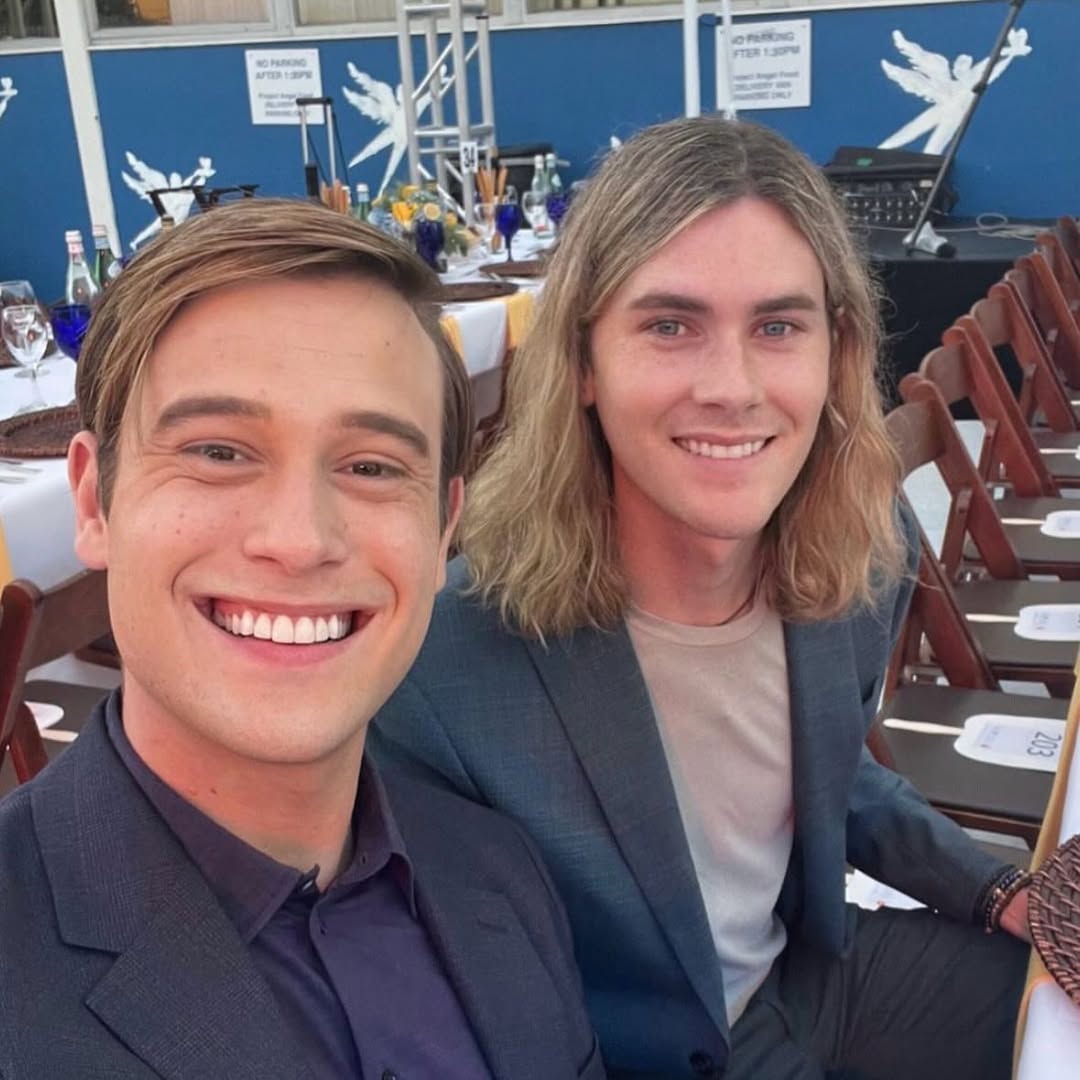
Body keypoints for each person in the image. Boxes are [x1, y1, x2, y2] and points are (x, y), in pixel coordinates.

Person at [371, 117, 1030, 1080]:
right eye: (670, 326)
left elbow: (831, 773)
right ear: (582, 363)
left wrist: (1001, 891)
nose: (732, 387)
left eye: (778, 327)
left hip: (816, 974)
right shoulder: (441, 666)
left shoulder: (867, 551)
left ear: (836, 351)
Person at [0, 199, 603, 1080]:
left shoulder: (505, 870)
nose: (300, 538)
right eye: (218, 451)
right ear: (94, 503)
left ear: (443, 529)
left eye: (371, 466)